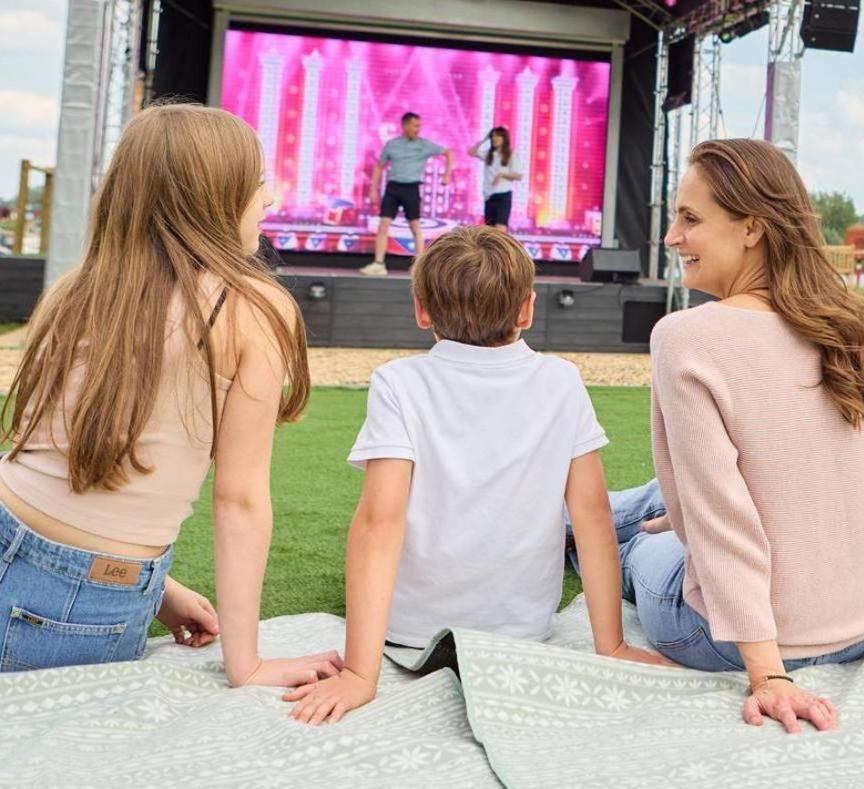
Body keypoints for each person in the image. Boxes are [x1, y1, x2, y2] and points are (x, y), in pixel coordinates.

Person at [0, 103, 342, 688]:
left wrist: (159, 591)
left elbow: (62, 461)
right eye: (257, 182)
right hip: (76, 599)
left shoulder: (74, 289)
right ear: (213, 196)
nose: (270, 198)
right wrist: (247, 662)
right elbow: (238, 500)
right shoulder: (256, 308)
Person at [286, 224, 669, 726]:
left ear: (421, 310)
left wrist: (361, 672)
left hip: (408, 630)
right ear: (527, 309)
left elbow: (379, 523)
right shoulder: (562, 381)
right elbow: (592, 515)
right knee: (632, 512)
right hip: (526, 628)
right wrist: (612, 644)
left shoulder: (398, 383)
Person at [591, 138, 864, 735]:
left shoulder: (686, 337)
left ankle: (580, 527)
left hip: (743, 640)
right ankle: (586, 513)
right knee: (666, 495)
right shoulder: (845, 323)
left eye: (690, 219)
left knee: (648, 548)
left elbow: (720, 518)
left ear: (752, 228)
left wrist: (770, 676)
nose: (671, 238)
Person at [361, 112, 452, 275]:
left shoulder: (424, 145)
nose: (417, 129)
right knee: (383, 225)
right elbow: (379, 166)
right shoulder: (392, 144)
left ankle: (420, 266)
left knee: (415, 227)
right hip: (393, 188)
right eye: (415, 125)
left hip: (411, 189)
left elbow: (448, 153)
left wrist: (447, 174)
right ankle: (379, 263)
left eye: (419, 126)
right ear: (405, 126)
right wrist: (373, 188)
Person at [466, 126, 522, 228]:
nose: (494, 139)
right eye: (492, 136)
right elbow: (471, 152)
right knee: (490, 231)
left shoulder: (510, 155)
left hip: (503, 195)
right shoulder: (489, 154)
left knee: (500, 229)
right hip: (489, 195)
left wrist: (502, 174)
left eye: (498, 136)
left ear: (504, 139)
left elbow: (519, 175)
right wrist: (484, 139)